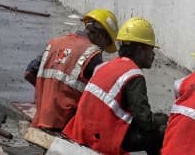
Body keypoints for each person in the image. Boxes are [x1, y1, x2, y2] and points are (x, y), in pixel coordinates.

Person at [64, 17, 168, 155]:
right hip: (100, 139)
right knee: (161, 131)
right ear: (139, 49)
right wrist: (164, 119)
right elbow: (145, 121)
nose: (153, 55)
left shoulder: (105, 65)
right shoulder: (133, 75)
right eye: (150, 49)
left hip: (81, 132)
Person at [25, 8, 120, 132]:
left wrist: (48, 95)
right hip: (66, 126)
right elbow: (100, 96)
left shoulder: (55, 43)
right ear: (101, 36)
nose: (102, 49)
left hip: (40, 119)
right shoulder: (92, 53)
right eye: (105, 45)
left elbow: (29, 73)